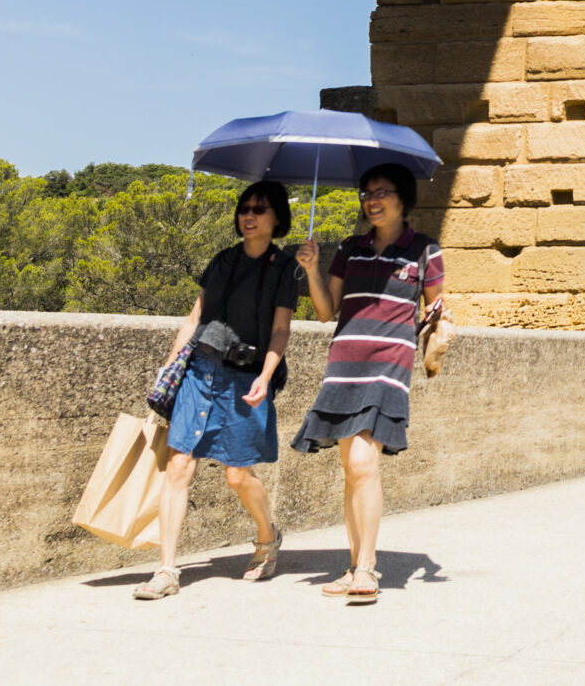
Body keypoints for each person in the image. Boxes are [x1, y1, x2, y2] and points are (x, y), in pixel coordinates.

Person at [136, 180, 302, 600]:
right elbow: (196, 318)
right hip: (200, 371)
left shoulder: (285, 268)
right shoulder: (223, 260)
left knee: (237, 475)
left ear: (277, 218)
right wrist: (171, 365)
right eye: (245, 208)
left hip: (246, 377)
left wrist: (266, 375)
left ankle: (267, 535)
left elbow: (281, 329)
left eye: (260, 209)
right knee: (179, 466)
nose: (249, 215)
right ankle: (166, 570)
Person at [293, 164, 445, 605]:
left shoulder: (424, 249)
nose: (371, 200)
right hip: (344, 364)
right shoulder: (350, 248)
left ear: (403, 198)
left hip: (389, 366)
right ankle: (354, 564)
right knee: (352, 470)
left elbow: (436, 307)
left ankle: (366, 567)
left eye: (382, 192)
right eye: (366, 193)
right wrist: (312, 269)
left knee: (362, 463)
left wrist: (439, 318)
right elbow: (327, 311)